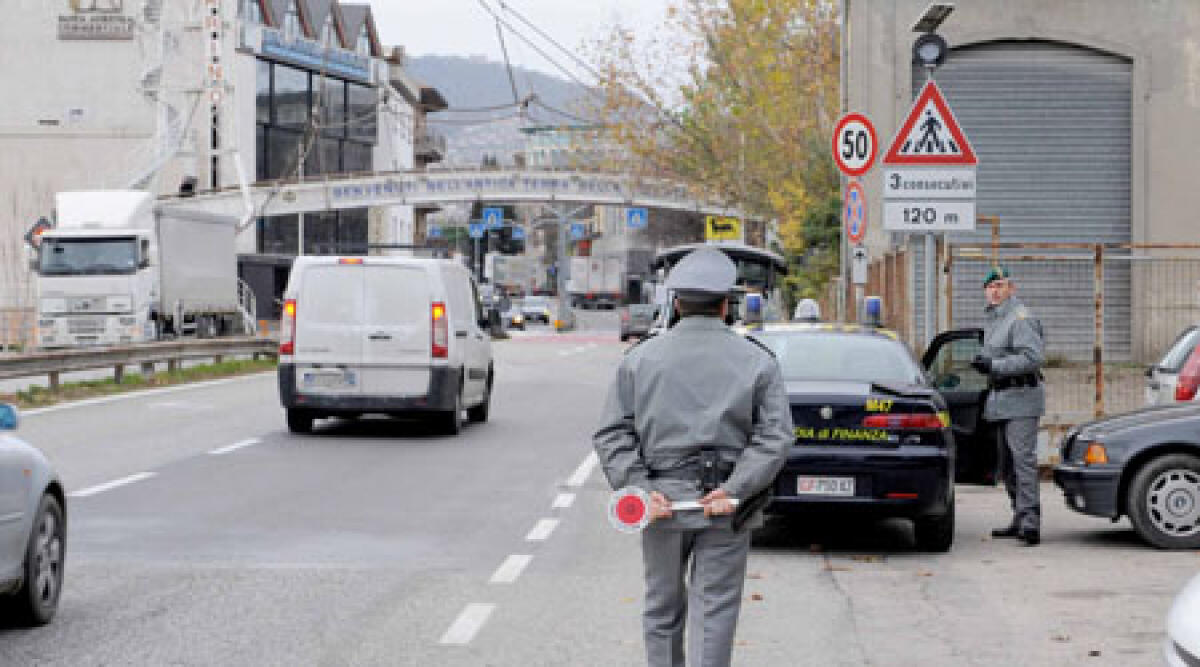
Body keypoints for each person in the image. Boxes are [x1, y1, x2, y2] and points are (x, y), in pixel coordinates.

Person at [593, 246, 793, 667]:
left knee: (662, 608)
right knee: (715, 610)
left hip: (660, 503)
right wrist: (736, 489)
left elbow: (613, 433)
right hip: (724, 504)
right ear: (726, 305)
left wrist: (643, 490)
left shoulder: (640, 359)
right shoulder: (758, 361)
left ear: (677, 304)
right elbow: (775, 436)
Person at [970, 264, 1046, 546]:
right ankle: (1018, 516)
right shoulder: (994, 318)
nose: (995, 291)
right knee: (1007, 465)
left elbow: (1032, 358)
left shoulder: (1020, 318)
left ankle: (1030, 522)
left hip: (1022, 398)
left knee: (1023, 462)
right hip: (1000, 400)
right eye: (990, 287)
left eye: (1000, 285)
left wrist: (994, 365)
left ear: (1011, 289)